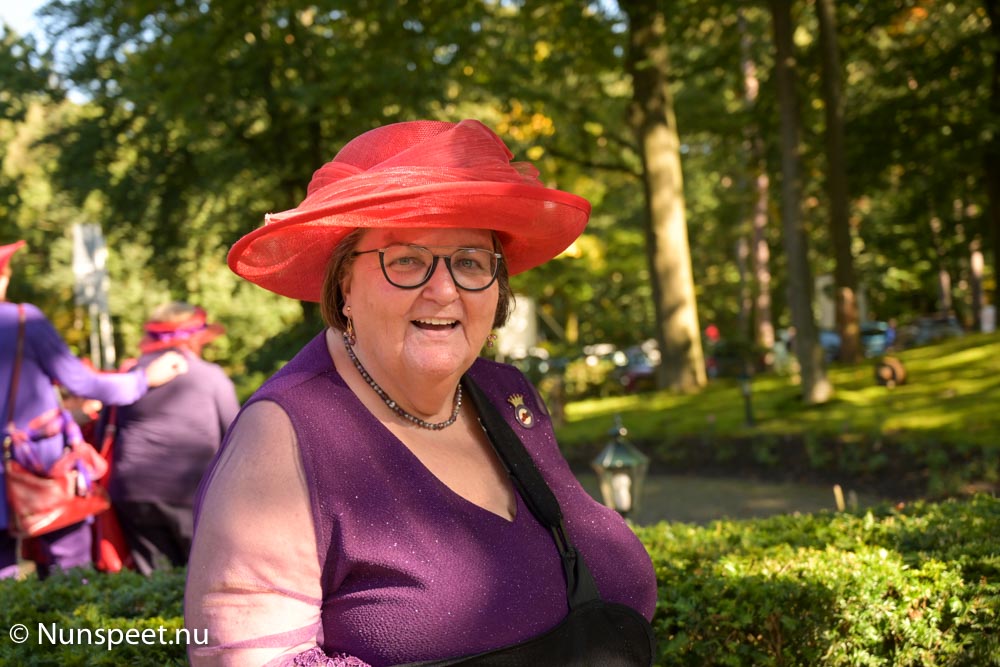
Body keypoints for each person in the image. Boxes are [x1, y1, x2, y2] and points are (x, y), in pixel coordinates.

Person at [185, 119, 657, 666]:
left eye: (470, 261)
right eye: (406, 259)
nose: (443, 289)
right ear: (344, 285)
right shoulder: (284, 437)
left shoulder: (509, 397)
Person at [1, 240, 188, 579]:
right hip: (42, 471)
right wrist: (143, 379)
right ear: (4, 278)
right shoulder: (24, 322)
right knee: (70, 577)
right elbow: (84, 384)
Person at [108, 302, 240, 575]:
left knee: (153, 580)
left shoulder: (131, 377)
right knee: (201, 578)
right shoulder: (210, 376)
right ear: (194, 339)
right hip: (189, 490)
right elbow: (238, 435)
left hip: (133, 489)